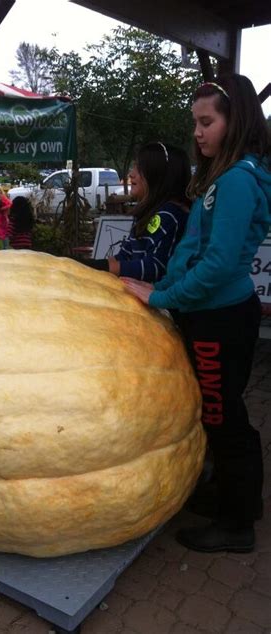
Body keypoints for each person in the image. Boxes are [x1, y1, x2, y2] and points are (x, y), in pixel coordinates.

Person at [123, 74, 271, 553]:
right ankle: (229, 496)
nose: (198, 132)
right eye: (195, 123)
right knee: (217, 411)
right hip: (212, 314)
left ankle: (238, 523)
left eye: (207, 122)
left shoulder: (238, 182)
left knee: (224, 416)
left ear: (235, 120)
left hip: (220, 318)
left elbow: (218, 265)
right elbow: (194, 250)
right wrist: (160, 284)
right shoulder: (221, 179)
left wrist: (160, 299)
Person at [86, 143, 190, 282]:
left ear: (158, 175)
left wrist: (97, 267)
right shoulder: (147, 214)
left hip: (156, 301)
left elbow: (154, 267)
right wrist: (88, 268)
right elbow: (124, 256)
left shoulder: (168, 216)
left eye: (139, 168)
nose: (131, 174)